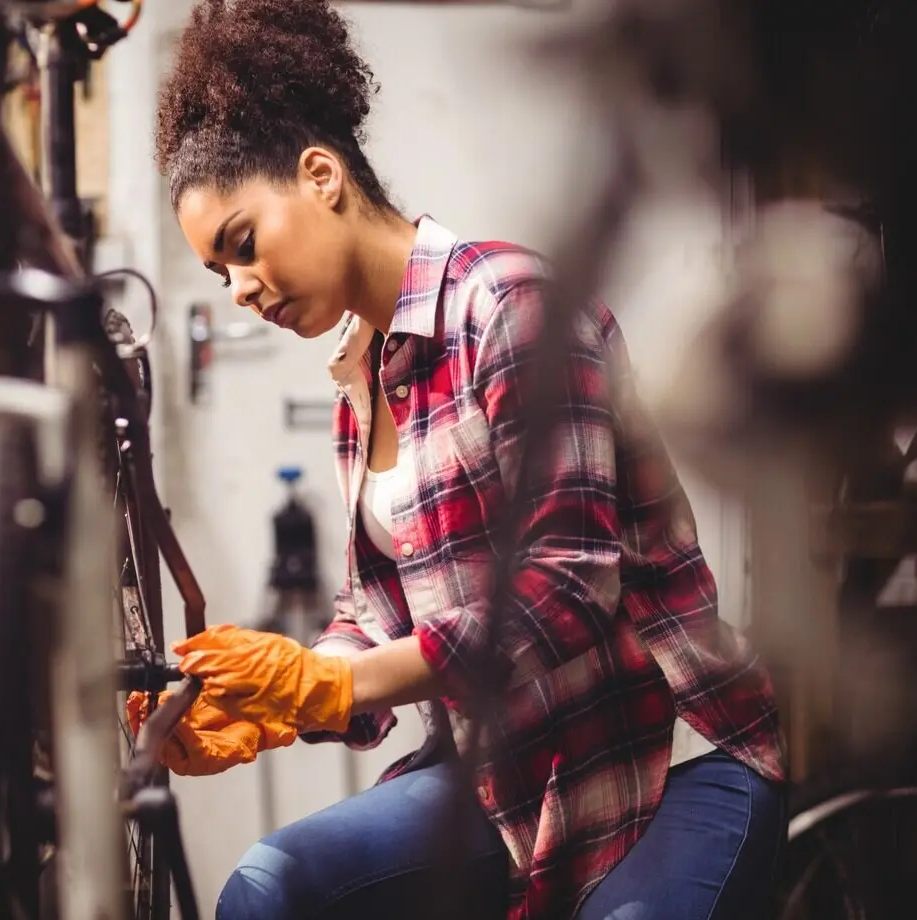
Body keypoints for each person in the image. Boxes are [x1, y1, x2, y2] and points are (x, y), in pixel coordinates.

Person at [127, 1, 787, 918]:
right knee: (268, 889)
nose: (239, 289)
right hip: (509, 774)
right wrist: (278, 706)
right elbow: (375, 615)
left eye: (242, 245)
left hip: (665, 753)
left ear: (320, 176)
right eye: (217, 273)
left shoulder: (508, 309)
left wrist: (332, 681)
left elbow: (563, 588)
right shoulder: (360, 379)